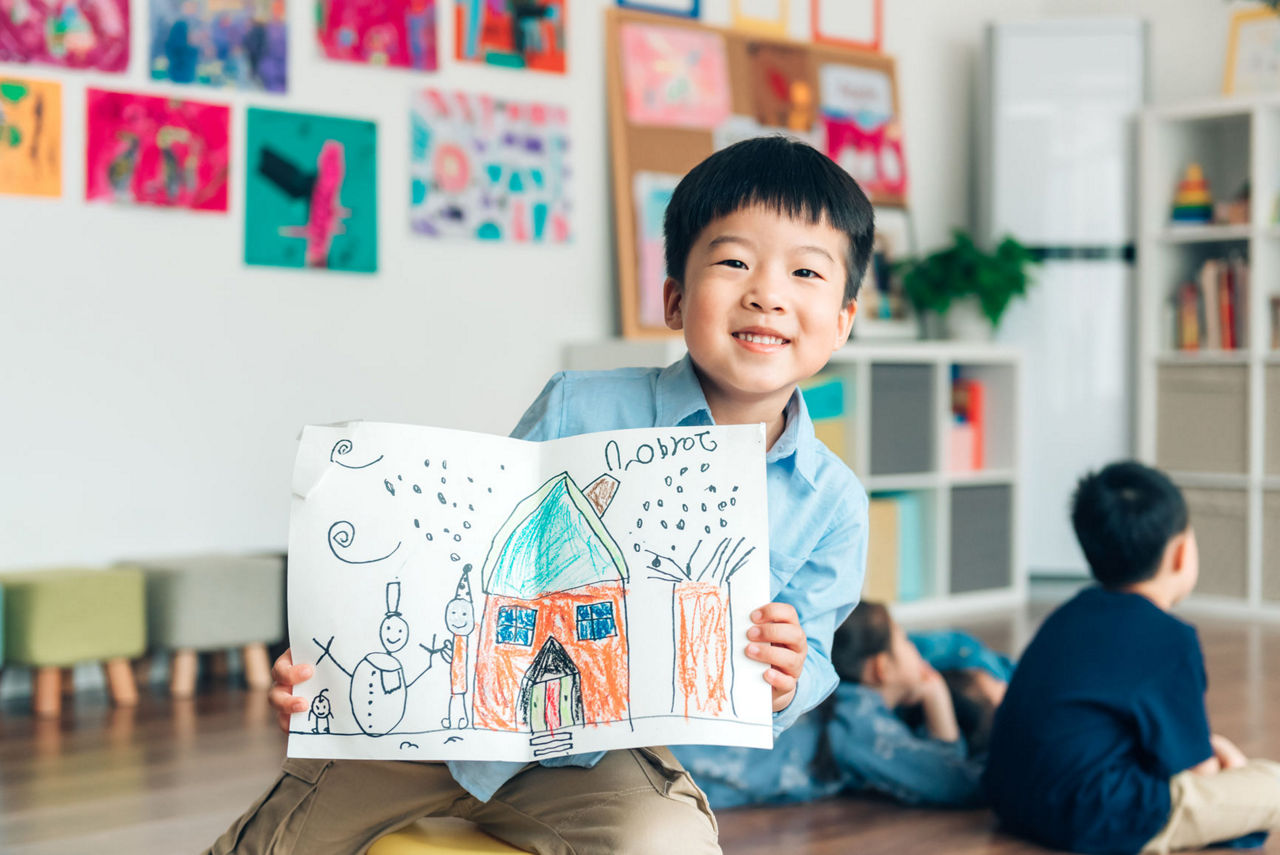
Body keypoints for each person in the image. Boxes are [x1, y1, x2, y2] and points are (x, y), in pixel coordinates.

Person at [206, 135, 875, 855]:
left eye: (805, 271)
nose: (767, 292)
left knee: (668, 842)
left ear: (842, 319)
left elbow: (814, 656)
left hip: (592, 760)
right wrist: (325, 663)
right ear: (674, 298)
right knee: (275, 844)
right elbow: (466, 548)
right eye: (735, 261)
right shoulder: (577, 404)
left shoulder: (832, 502)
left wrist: (785, 674)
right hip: (429, 724)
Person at [983, 460, 1280, 855]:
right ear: (1179, 553)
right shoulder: (1171, 638)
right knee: (1271, 786)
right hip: (1096, 817)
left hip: (1014, 805)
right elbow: (1197, 773)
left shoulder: (1067, 615)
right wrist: (1226, 765)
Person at [677, 601, 1008, 810]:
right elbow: (957, 784)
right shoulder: (859, 718)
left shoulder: (843, 708)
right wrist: (936, 696)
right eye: (906, 642)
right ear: (881, 667)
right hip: (679, 773)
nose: (918, 652)